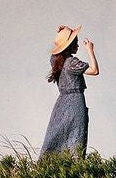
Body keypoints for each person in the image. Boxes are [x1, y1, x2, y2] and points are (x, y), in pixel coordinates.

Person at [40, 24, 99, 157]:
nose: (77, 45)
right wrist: (90, 50)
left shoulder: (55, 61)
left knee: (56, 137)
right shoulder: (71, 63)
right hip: (75, 103)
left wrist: (62, 34)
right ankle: (74, 164)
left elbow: (56, 51)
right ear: (69, 46)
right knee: (76, 137)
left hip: (61, 103)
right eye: (75, 42)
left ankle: (49, 165)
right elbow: (94, 70)